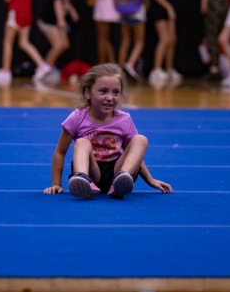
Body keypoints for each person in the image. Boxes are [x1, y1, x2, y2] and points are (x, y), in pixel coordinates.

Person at [43, 63, 173, 199]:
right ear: (87, 92)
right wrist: (56, 184)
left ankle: (122, 179)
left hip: (116, 171)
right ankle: (83, 178)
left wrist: (150, 180)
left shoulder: (124, 119)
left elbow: (134, 154)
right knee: (82, 142)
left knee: (140, 139)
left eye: (116, 92)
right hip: (91, 170)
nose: (110, 97)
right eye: (103, 91)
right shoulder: (77, 117)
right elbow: (60, 152)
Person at [150, 0, 195, 85]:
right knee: (164, 39)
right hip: (160, 12)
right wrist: (169, 7)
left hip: (169, 14)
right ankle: (156, 70)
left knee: (172, 40)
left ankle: (169, 69)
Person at [38, 0, 80, 77]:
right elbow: (57, 3)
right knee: (58, 45)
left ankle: (50, 67)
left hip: (55, 22)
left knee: (65, 45)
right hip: (48, 21)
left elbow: (65, 2)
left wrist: (73, 12)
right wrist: (61, 20)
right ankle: (43, 70)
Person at [117, 0, 149, 80]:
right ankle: (130, 63)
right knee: (139, 41)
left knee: (125, 41)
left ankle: (119, 70)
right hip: (136, 12)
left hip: (123, 11)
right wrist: (147, 3)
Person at [197, 0, 228, 79]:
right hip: (224, 4)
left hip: (214, 2)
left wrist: (203, 2)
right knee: (213, 36)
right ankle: (217, 64)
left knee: (211, 36)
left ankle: (214, 69)